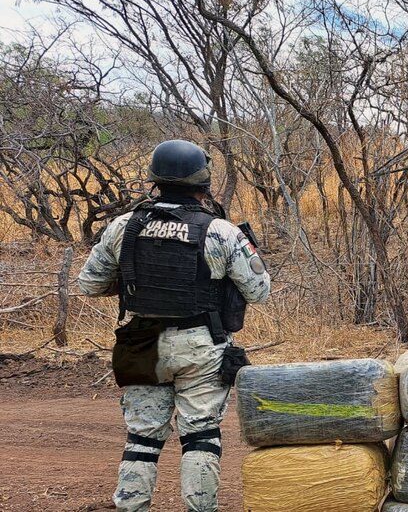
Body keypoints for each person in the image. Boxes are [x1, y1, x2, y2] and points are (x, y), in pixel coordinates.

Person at [77, 139, 271, 512]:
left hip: (141, 344)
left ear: (156, 180)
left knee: (142, 440)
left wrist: (132, 281)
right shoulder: (221, 231)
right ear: (203, 183)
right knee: (201, 437)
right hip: (201, 345)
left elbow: (89, 285)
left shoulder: (122, 227)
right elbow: (259, 290)